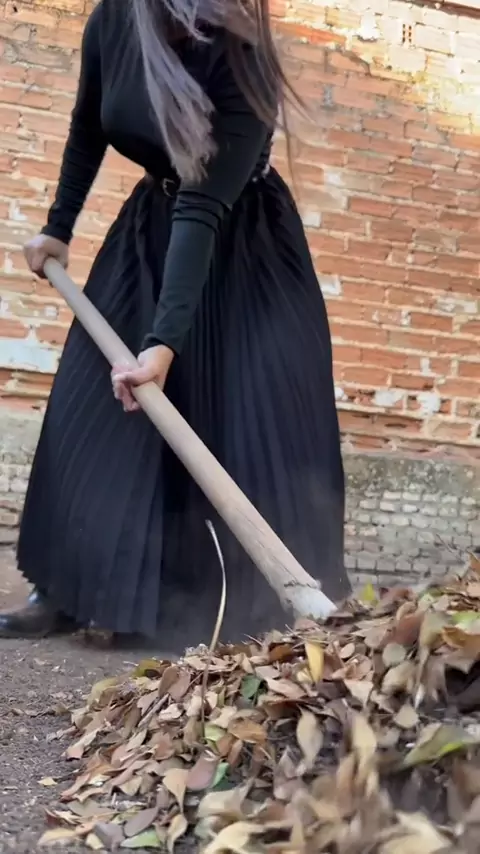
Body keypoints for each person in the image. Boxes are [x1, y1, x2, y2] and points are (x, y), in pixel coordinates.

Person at [0, 0, 351, 649]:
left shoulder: (241, 49)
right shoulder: (114, 19)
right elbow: (88, 124)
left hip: (242, 246)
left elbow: (203, 204)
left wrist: (162, 345)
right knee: (90, 403)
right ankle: (68, 591)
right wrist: (58, 227)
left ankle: (250, 611)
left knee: (246, 416)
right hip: (151, 228)